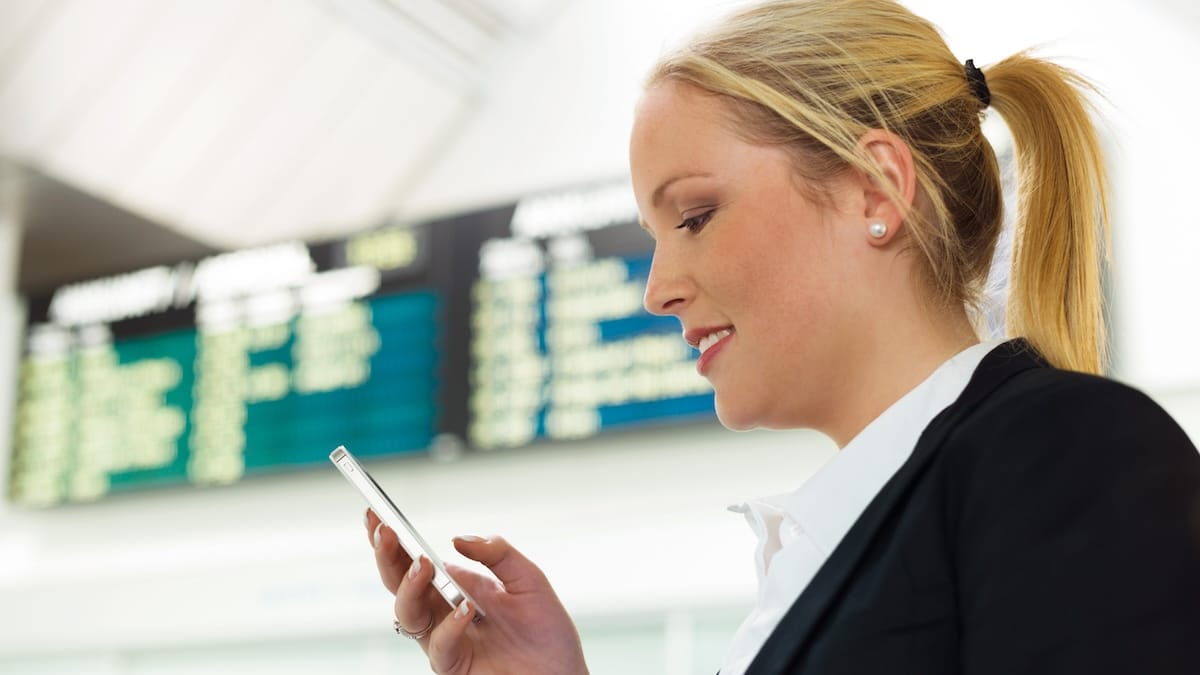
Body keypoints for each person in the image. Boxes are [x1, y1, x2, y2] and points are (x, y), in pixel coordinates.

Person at [363, 0, 1200, 672]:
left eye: (693, 216)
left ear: (876, 190)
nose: (656, 289)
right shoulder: (835, 548)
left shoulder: (1065, 450)